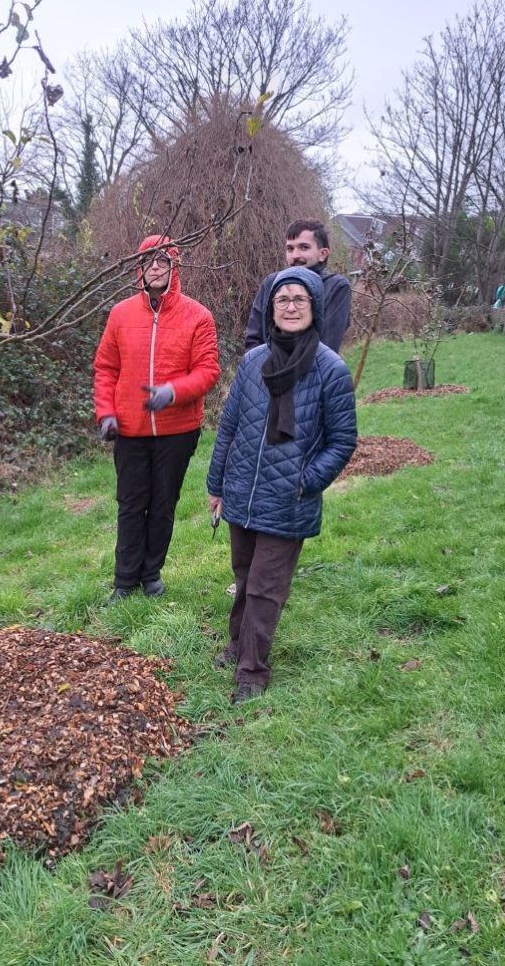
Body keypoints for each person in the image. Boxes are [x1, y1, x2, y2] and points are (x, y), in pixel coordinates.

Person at [207, 266, 357, 703]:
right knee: (243, 576)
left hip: (288, 500)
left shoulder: (330, 369)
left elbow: (343, 440)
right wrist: (217, 484)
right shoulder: (254, 361)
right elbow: (229, 426)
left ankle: (252, 671)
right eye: (282, 300)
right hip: (242, 492)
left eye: (299, 299)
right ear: (272, 309)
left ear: (315, 307)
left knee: (265, 588)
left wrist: (305, 482)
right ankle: (237, 645)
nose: (291, 307)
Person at [94, 234, 220, 600]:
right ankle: (124, 581)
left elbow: (208, 370)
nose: (155, 267)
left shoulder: (198, 316)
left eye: (163, 260)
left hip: (177, 430)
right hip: (130, 429)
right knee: (131, 504)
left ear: (174, 266)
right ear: (139, 268)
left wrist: (173, 392)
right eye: (148, 261)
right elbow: (106, 368)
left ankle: (151, 575)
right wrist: (106, 413)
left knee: (163, 504)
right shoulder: (120, 314)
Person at [244, 219, 351, 353]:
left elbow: (327, 345)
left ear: (322, 254)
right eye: (290, 249)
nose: (295, 255)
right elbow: (254, 338)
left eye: (304, 247)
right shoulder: (271, 282)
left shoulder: (335, 287)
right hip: (266, 364)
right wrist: (259, 363)